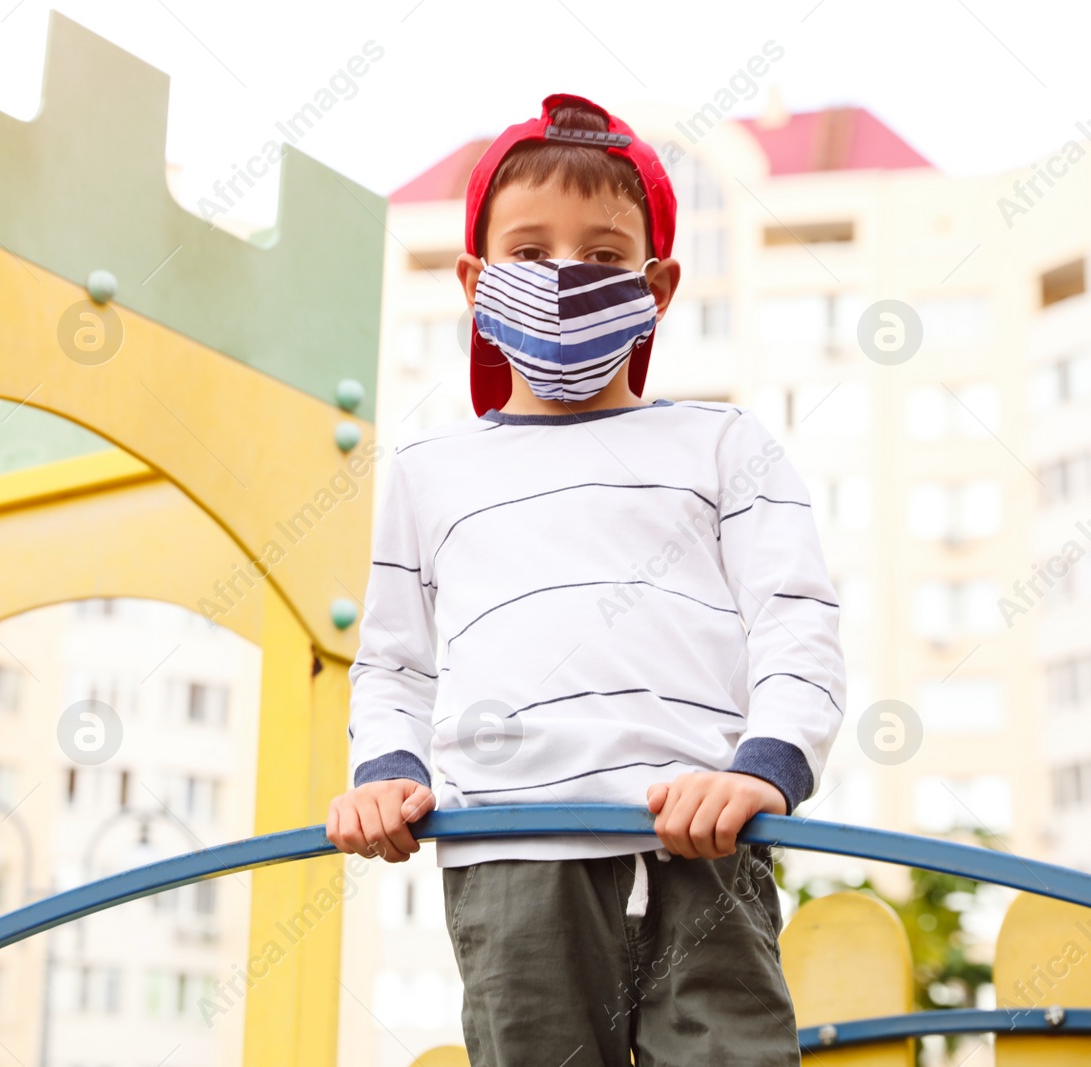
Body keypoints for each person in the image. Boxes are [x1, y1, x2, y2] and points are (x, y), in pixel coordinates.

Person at [326, 94, 845, 1066]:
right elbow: (394, 661)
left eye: (604, 256)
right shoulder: (431, 471)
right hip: (512, 842)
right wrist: (387, 774)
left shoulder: (723, 445)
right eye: (528, 251)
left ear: (657, 283)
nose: (565, 276)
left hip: (701, 835)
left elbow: (795, 619)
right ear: (475, 280)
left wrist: (760, 767)